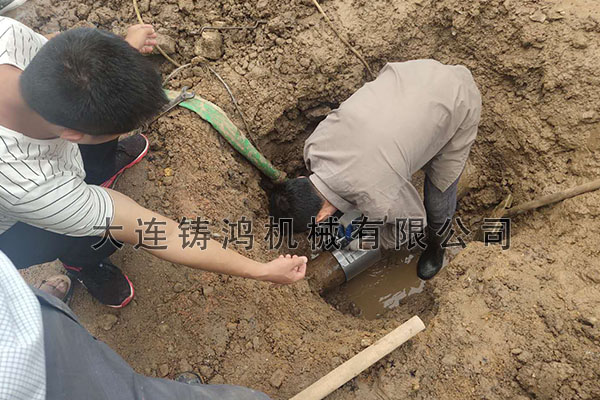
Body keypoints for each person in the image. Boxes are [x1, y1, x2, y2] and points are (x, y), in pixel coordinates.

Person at [0, 16, 307, 308]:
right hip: (12, 230)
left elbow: (62, 58)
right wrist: (260, 270)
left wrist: (120, 55)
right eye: (119, 130)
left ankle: (98, 168)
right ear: (72, 135)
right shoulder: (34, 188)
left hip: (54, 151)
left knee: (99, 136)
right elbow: (158, 232)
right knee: (97, 235)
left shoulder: (8, 35)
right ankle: (82, 263)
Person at [269, 60, 481, 280]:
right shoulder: (313, 147)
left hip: (458, 100)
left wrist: (364, 241)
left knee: (438, 202)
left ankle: (437, 246)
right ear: (300, 179)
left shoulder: (379, 199)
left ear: (321, 217)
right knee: (398, 159)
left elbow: (415, 223)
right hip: (412, 73)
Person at [0, 250, 271, 400]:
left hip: (16, 313)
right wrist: (259, 270)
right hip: (33, 384)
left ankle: (30, 304)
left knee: (38, 313)